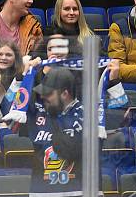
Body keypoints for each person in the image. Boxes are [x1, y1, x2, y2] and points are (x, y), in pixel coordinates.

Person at [17, 67, 88, 196]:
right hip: (41, 192)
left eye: (49, 93)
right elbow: (7, 110)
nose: (43, 96)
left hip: (78, 191)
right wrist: (20, 79)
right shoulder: (38, 112)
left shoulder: (87, 114)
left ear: (65, 94)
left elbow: (121, 120)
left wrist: (112, 81)